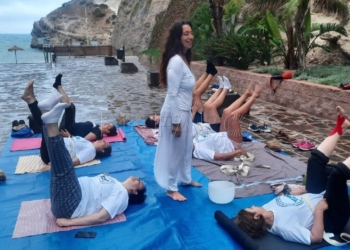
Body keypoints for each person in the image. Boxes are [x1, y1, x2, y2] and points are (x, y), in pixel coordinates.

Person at [234, 106, 350, 245]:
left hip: (315, 195)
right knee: (337, 175)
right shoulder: (284, 228)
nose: (253, 205)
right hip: (330, 214)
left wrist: (293, 194)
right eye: (251, 208)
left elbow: (286, 204)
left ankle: (341, 126)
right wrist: (319, 211)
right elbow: (315, 238)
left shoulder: (267, 207)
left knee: (314, 161)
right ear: (257, 216)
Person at [39, 101, 146, 227]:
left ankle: (49, 119)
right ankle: (45, 114)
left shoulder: (122, 197)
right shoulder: (115, 183)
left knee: (64, 164)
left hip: (71, 204)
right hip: (70, 194)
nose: (137, 178)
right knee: (59, 164)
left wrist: (69, 222)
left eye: (139, 183)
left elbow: (101, 217)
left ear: (135, 192)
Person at [153, 20, 202, 202]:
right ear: (178, 38)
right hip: (176, 113)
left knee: (187, 147)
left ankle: (186, 178)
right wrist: (175, 122)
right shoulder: (175, 62)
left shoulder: (184, 59)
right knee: (176, 150)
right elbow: (172, 94)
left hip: (184, 111)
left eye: (191, 33)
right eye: (186, 34)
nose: (190, 37)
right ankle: (171, 188)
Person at [21, 80, 112, 165]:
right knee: (46, 123)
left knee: (46, 124)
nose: (104, 140)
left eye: (105, 143)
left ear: (102, 150)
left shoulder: (91, 151)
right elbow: (75, 143)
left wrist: (51, 167)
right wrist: (69, 136)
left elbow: (73, 162)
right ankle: (39, 105)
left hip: (53, 154)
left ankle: (33, 101)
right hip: (57, 145)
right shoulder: (88, 144)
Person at [192, 82, 261, 161]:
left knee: (226, 111)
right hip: (231, 143)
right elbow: (221, 157)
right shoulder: (198, 151)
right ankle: (254, 96)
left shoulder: (193, 141)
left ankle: (247, 94)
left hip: (223, 134)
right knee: (233, 116)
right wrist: (238, 151)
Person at [145, 74, 232, 133]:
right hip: (204, 127)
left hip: (201, 125)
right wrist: (193, 111)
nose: (155, 115)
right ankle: (225, 89)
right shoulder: (167, 124)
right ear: (156, 122)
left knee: (205, 104)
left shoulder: (165, 116)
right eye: (153, 117)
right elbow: (185, 125)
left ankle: (221, 87)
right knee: (210, 105)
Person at [53, 74, 117, 141]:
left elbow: (83, 141)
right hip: (71, 126)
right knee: (70, 105)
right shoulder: (97, 128)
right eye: (108, 123)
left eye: (108, 125)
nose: (106, 123)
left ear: (107, 131)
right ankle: (58, 86)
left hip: (68, 130)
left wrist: (69, 136)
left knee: (70, 107)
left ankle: (58, 86)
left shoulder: (97, 132)